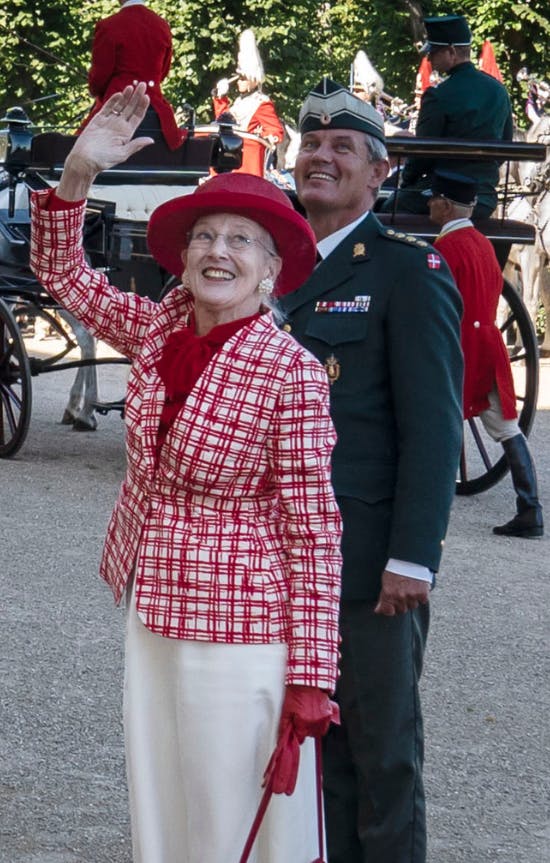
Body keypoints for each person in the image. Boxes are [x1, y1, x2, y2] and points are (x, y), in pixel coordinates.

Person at [30, 83, 342, 863]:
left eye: (241, 240)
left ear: (272, 272)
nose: (218, 252)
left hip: (241, 631)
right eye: (206, 235)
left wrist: (312, 677)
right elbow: (66, 280)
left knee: (227, 810)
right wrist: (76, 176)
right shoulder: (164, 323)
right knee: (160, 794)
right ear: (183, 255)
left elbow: (315, 531)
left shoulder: (291, 371)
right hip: (152, 605)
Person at [279, 77, 464, 863]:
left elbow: (433, 432)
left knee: (382, 757)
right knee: (311, 760)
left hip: (367, 571)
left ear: (379, 172)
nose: (321, 157)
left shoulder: (404, 273)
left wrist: (413, 557)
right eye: (311, 144)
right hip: (279, 567)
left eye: (342, 148)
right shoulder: (267, 265)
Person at [427, 169, 544, 538]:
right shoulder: (482, 245)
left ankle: (427, 503)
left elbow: (434, 308)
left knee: (436, 422)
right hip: (488, 344)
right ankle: (531, 507)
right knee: (507, 428)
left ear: (445, 206)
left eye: (433, 199)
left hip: (458, 350)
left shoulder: (444, 250)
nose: (429, 203)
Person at [382, 13, 513, 218]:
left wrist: (406, 183)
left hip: (444, 195)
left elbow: (421, 156)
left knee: (389, 208)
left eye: (434, 51)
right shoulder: (499, 91)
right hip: (485, 199)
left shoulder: (438, 95)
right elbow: (506, 144)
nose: (430, 58)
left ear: (451, 51)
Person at [78, 0, 185, 151]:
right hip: (153, 105)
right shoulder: (162, 25)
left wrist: (96, 91)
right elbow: (163, 71)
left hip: (117, 105)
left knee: (77, 150)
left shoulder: (109, 25)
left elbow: (99, 78)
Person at [212, 29, 284, 176]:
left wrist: (263, 139)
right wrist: (220, 97)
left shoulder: (261, 103)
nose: (239, 82)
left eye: (243, 78)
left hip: (246, 164)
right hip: (228, 157)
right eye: (238, 78)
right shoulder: (239, 102)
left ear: (253, 79)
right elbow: (224, 122)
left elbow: (275, 132)